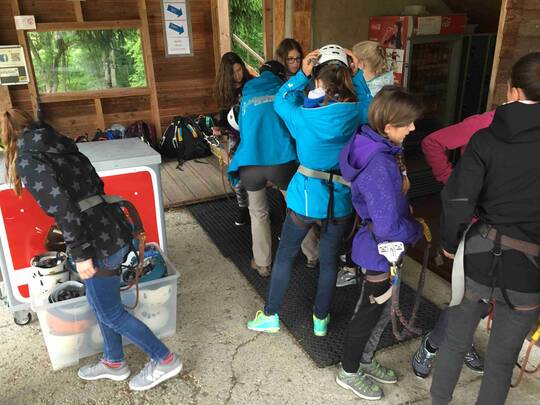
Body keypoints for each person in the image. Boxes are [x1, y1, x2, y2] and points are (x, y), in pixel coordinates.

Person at [0, 109, 182, 391]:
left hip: (97, 242)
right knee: (101, 305)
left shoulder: (28, 158)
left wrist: (81, 254)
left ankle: (164, 359)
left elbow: (63, 210)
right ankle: (114, 361)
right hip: (112, 226)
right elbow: (95, 185)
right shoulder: (57, 142)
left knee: (110, 313)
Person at [430, 52, 540, 405]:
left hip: (480, 252)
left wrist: (450, 243)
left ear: (512, 89)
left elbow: (459, 199)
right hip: (530, 269)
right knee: (501, 361)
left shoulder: (485, 138)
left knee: (455, 342)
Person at [246, 44, 372, 337]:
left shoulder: (302, 115)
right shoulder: (357, 112)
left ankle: (271, 315)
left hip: (305, 196)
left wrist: (300, 76)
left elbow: (281, 100)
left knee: (285, 256)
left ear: (317, 79)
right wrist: (359, 76)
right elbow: (369, 102)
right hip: (340, 198)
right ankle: (320, 320)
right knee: (329, 261)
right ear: (347, 76)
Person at [335, 86, 423, 400]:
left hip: (382, 246)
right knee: (369, 313)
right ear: (387, 126)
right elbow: (386, 225)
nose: (413, 127)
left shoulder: (379, 146)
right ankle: (348, 371)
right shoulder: (379, 164)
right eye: (407, 123)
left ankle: (364, 359)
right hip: (378, 249)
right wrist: (414, 230)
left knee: (382, 310)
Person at [410, 111, 497, 378]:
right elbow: (432, 142)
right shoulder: (484, 123)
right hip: (475, 226)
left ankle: (461, 338)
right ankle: (432, 344)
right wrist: (450, 179)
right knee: (470, 298)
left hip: (509, 232)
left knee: (486, 299)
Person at [226, 60, 298, 277]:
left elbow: (242, 128)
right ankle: (313, 255)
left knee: (258, 214)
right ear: (279, 76)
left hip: (250, 163)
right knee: (297, 210)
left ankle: (262, 263)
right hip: (281, 161)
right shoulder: (284, 94)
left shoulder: (247, 95)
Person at [336, 40, 396, 289]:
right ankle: (374, 266)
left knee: (358, 215)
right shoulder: (390, 88)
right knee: (376, 214)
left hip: (367, 163)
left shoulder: (368, 94)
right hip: (386, 161)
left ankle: (352, 267)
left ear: (358, 64)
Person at [213, 52, 253, 226]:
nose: (238, 75)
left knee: (255, 172)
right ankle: (243, 207)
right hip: (235, 135)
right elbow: (223, 115)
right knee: (236, 173)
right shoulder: (223, 90)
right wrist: (218, 127)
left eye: (239, 70)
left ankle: (257, 207)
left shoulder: (251, 84)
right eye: (233, 73)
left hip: (252, 132)